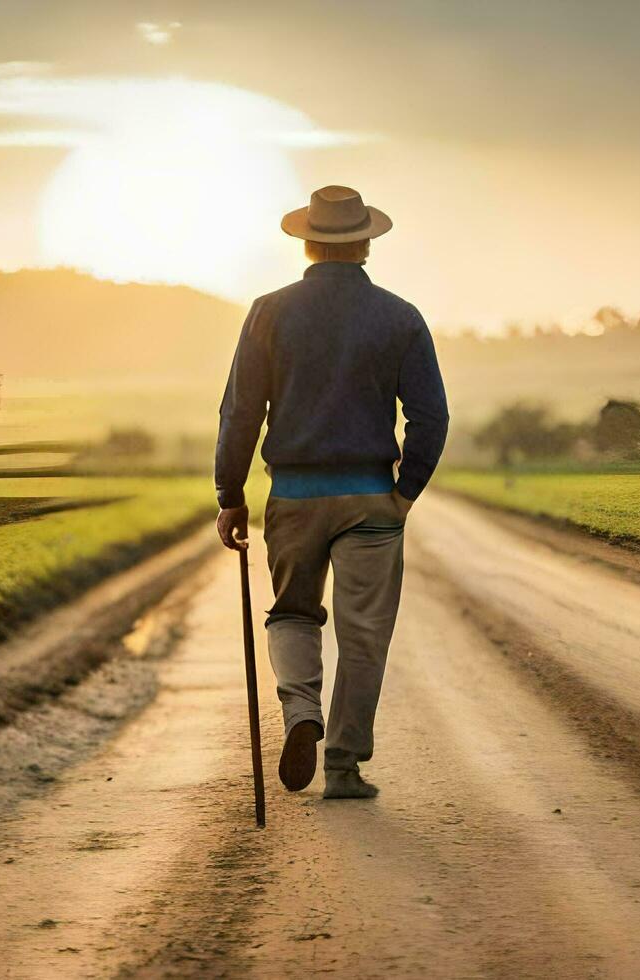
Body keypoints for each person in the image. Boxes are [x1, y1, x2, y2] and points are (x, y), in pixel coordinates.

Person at [214, 185, 449, 800]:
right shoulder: (401, 316)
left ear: (308, 242)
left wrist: (229, 494)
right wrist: (405, 493)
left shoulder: (268, 311)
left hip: (293, 495)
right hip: (371, 499)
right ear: (366, 243)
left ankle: (301, 716)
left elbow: (241, 411)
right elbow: (431, 416)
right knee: (364, 635)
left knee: (292, 613)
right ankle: (343, 767)